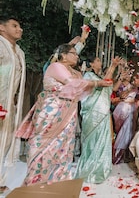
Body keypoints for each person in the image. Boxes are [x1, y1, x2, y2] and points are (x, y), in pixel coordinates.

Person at [15, 44, 112, 186]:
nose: (77, 56)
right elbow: (73, 84)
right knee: (44, 145)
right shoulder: (56, 67)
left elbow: (82, 88)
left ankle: (57, 184)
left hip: (68, 114)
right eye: (74, 53)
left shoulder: (75, 72)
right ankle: (35, 182)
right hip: (51, 112)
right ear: (64, 55)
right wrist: (97, 83)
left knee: (64, 148)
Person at [74, 55, 120, 184]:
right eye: (98, 60)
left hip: (103, 112)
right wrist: (113, 66)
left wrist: (113, 67)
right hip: (93, 114)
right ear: (91, 64)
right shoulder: (88, 76)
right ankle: (89, 169)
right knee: (92, 140)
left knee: (102, 140)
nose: (100, 62)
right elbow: (104, 84)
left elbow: (108, 85)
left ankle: (100, 168)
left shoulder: (97, 77)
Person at [0, 16, 26, 192]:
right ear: (2, 28)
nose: (20, 29)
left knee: (6, 141)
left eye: (20, 26)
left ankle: (1, 180)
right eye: (14, 26)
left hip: (10, 104)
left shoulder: (20, 52)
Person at [112, 68, 139, 164]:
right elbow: (121, 95)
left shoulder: (134, 87)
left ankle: (126, 155)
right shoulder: (119, 86)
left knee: (128, 132)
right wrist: (129, 89)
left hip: (131, 112)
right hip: (120, 111)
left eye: (130, 73)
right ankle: (117, 155)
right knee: (121, 133)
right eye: (127, 73)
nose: (129, 75)